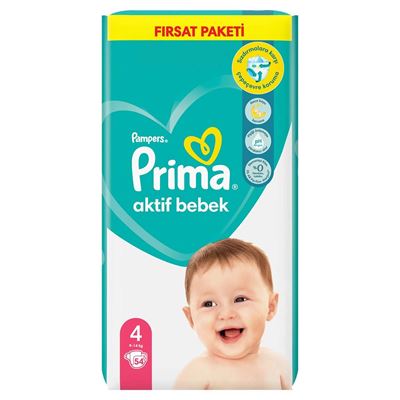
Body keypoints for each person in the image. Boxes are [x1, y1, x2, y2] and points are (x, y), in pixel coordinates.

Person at [174, 238, 291, 389]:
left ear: (270, 306)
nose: (226, 314)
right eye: (209, 304)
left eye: (240, 299)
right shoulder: (197, 373)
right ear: (191, 318)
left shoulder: (277, 364)